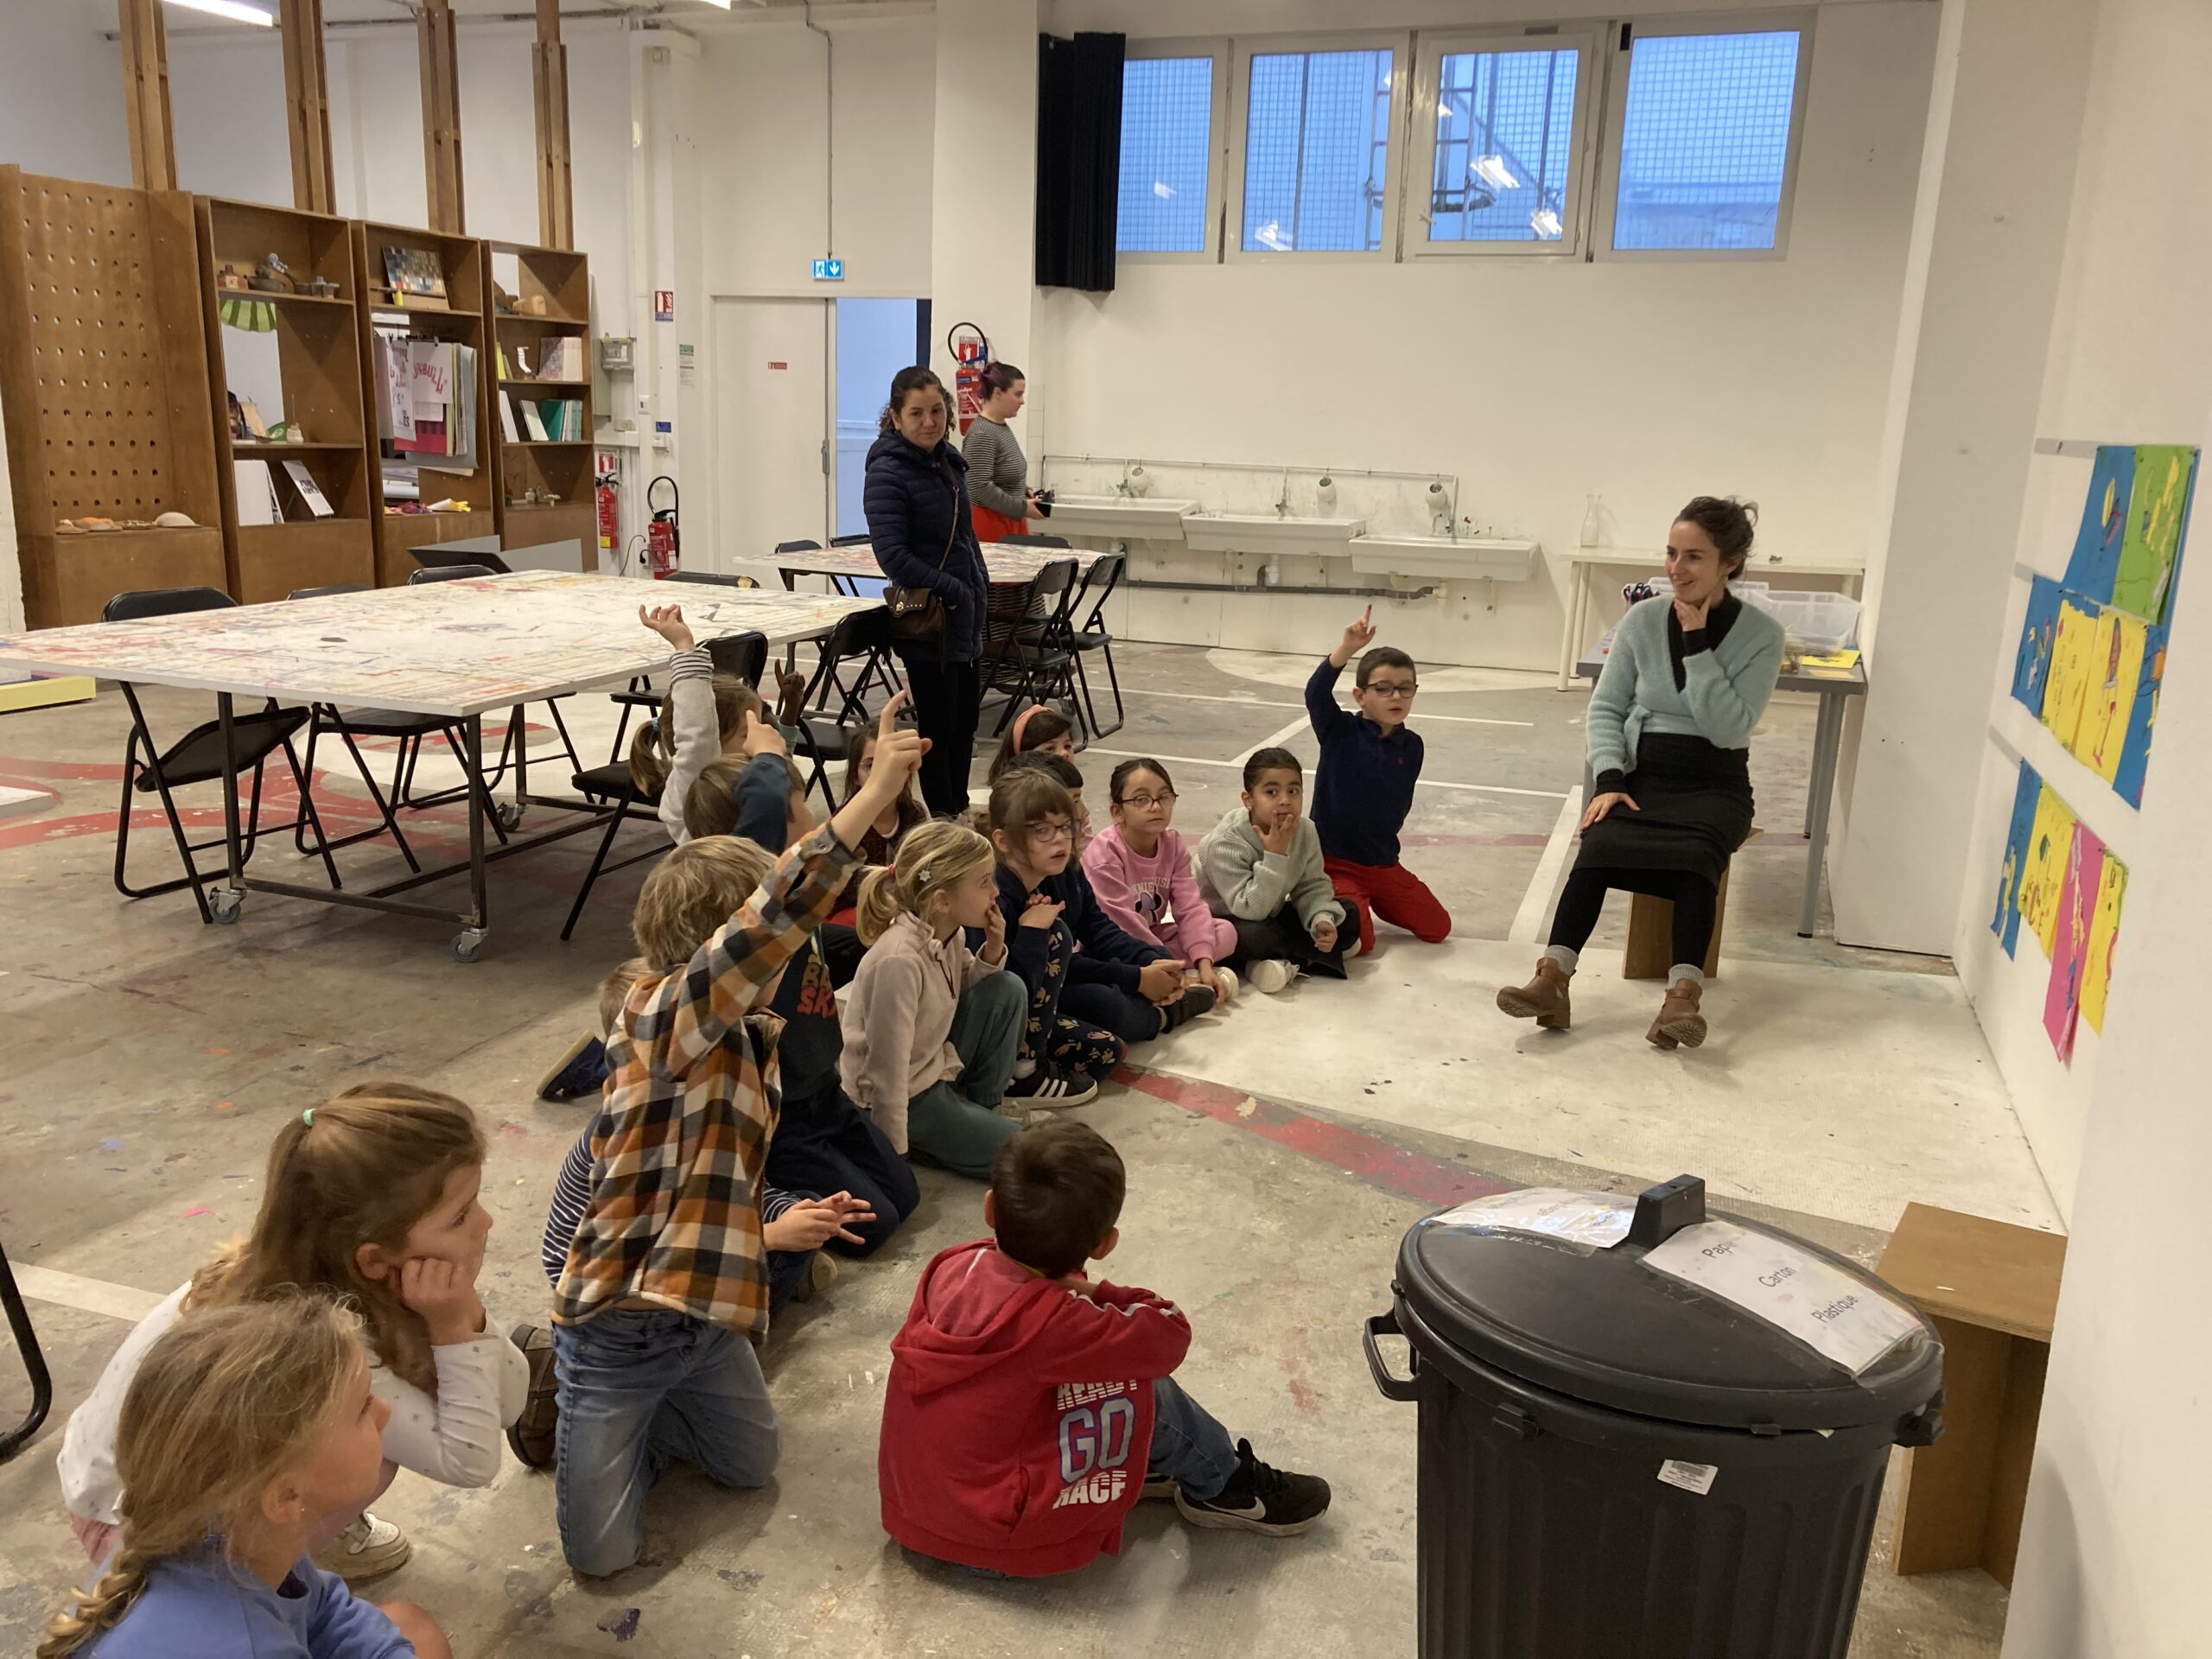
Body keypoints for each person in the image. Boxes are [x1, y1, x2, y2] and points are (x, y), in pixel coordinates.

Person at [544, 718, 929, 1576]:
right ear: (722, 950)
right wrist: (871, 791)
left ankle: (648, 1421)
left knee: (750, 1467)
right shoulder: (662, 1022)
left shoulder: (746, 1034)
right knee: (604, 1559)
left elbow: (726, 1178)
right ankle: (564, 1387)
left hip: (705, 1319)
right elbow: (778, 907)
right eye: (763, 944)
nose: (785, 951)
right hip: (616, 1332)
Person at [58, 1086, 520, 1586]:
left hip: (148, 1483)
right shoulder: (313, 1340)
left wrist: (465, 1312)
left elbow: (509, 1405)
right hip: (136, 1532)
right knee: (369, 1438)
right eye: (460, 1216)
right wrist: (452, 1329)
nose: (486, 1222)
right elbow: (469, 1463)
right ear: (372, 1258)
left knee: (372, 1424)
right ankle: (264, 1566)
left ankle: (293, 1527)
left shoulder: (328, 1272)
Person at [879, 1120, 1331, 1579]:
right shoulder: (1056, 1324)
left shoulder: (952, 1266)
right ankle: (1223, 1482)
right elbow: (1169, 1334)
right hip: (995, 1540)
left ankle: (1143, 1459)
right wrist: (1099, 1292)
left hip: (917, 1516)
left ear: (990, 1208)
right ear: (1104, 1244)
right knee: (1140, 1384)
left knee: (1036, 1385)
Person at [1497, 496, 1784, 1049]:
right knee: (1599, 843)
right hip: (1643, 775)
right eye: (1671, 553)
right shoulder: (1642, 620)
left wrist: (1697, 644)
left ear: (1730, 562)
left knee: (1698, 856)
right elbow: (1606, 708)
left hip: (1716, 783)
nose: (1676, 568)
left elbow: (1727, 727)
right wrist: (1610, 780)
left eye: (1694, 556)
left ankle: (1682, 999)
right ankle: (1552, 980)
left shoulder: (1762, 636)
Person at [38, 1297, 452, 1659]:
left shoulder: (233, 1531)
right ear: (286, 1496)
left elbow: (323, 1610)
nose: (385, 1413)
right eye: (362, 1408)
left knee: (408, 1625)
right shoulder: (242, 1640)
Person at [538, 602, 803, 1102]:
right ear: (716, 742)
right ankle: (602, 1062)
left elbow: (773, 771)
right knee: (670, 1028)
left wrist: (785, 715)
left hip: (729, 933)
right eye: (746, 734)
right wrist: (685, 649)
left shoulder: (741, 777)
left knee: (690, 1027)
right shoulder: (695, 788)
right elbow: (699, 734)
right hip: (703, 934)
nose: (759, 743)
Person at [840, 817, 1033, 1179]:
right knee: (1026, 1157)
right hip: (905, 1096)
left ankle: (981, 1108)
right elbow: (886, 1073)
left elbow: (964, 989)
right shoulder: (898, 961)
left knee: (1007, 987)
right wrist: (892, 1155)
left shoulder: (950, 932)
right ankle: (926, 1139)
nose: (995, 892)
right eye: (984, 882)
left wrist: (993, 950)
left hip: (931, 1063)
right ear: (941, 900)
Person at [988, 764, 1214, 1054]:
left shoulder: (1066, 870)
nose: (1060, 839)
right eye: (1043, 830)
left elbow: (1100, 928)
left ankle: (1160, 993)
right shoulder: (996, 895)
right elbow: (1035, 975)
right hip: (1022, 1000)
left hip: (1062, 978)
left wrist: (1153, 959)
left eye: (1066, 826)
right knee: (1107, 1007)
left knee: (1160, 960)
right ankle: (1165, 1015)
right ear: (1004, 841)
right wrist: (1135, 978)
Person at [865, 365, 992, 817]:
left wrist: (978, 582)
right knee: (938, 729)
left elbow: (964, 538)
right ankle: (943, 818)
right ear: (896, 417)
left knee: (965, 725)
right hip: (930, 620)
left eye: (937, 411)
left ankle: (958, 809)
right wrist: (954, 589)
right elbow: (893, 557)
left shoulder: (948, 462)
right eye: (916, 413)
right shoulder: (888, 472)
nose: (929, 422)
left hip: (964, 615)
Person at [1307, 607, 1452, 957]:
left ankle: (1370, 898)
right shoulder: (1340, 731)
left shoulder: (1413, 745)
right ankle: (1329, 899)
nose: (1396, 697)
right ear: (1360, 696)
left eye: (1405, 688)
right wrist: (1347, 649)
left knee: (1438, 928)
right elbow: (1315, 693)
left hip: (1383, 863)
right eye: (1383, 689)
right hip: (1335, 863)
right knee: (1362, 943)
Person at [1081, 759, 1237, 1006]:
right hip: (1115, 944)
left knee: (1225, 932)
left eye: (1164, 797)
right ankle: (1172, 976)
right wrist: (1160, 960)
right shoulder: (1106, 853)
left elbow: (1190, 906)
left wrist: (1205, 962)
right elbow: (1122, 923)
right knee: (1105, 969)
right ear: (1117, 812)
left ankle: (1185, 973)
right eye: (1141, 799)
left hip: (1151, 935)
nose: (1156, 807)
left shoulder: (1172, 844)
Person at [1196, 749, 1349, 993]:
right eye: (1271, 792)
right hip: (1229, 919)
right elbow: (1249, 909)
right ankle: (1290, 960)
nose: (1285, 800)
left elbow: (1312, 885)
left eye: (1293, 791)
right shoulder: (1224, 842)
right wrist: (1275, 855)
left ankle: (1282, 961)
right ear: (1248, 800)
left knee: (1347, 914)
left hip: (1270, 911)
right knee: (1257, 936)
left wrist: (1321, 919)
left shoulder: (1305, 830)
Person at [960, 361, 1043, 544]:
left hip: (1008, 521)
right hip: (991, 526)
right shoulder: (982, 433)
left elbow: (1002, 474)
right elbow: (979, 487)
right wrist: (1022, 508)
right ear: (997, 393)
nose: (1022, 401)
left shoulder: (1000, 428)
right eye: (1018, 394)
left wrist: (1022, 489)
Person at [985, 702, 1077, 784]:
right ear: (1024, 756)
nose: (1064, 753)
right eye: (1050, 748)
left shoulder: (1071, 788)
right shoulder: (1016, 795)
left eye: (1067, 746)